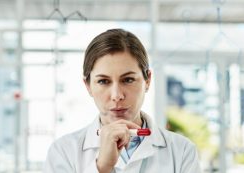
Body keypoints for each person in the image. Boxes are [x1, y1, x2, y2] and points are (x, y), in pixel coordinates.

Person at [43, 29, 201, 173]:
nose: (117, 95)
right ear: (88, 86)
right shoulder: (63, 152)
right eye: (103, 81)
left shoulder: (182, 151)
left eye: (128, 79)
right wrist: (102, 167)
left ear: (147, 80)